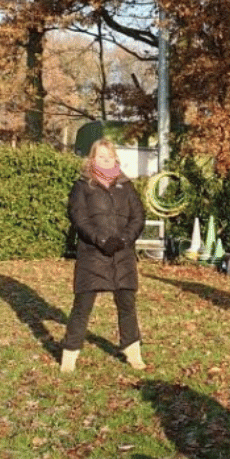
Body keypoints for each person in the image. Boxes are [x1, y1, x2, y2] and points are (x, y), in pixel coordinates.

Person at [61, 138, 146, 372]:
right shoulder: (82, 185)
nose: (105, 160)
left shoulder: (126, 185)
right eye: (101, 156)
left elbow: (138, 216)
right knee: (82, 305)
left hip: (123, 254)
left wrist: (125, 239)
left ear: (115, 158)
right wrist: (100, 239)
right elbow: (79, 217)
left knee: (127, 304)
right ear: (92, 158)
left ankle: (133, 351)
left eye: (109, 156)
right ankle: (69, 355)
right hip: (92, 254)